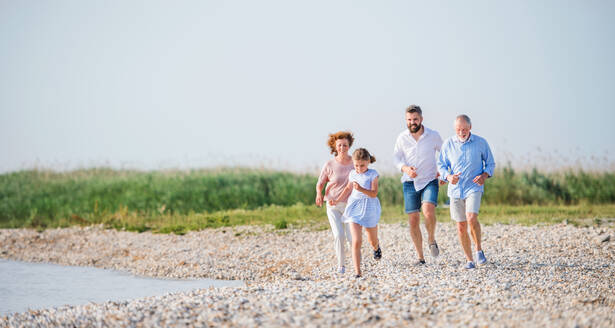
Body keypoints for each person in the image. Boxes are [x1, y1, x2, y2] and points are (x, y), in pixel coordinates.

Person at [437, 114, 495, 269]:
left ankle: (478, 250)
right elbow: (441, 165)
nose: (461, 132)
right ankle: (469, 260)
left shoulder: (481, 143)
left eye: (464, 129)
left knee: (471, 218)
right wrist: (448, 176)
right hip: (455, 189)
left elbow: (490, 163)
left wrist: (484, 175)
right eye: (458, 129)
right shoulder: (448, 144)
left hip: (474, 187)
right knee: (461, 226)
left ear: (470, 128)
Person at [393, 104, 444, 265]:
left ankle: (431, 239)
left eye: (415, 119)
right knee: (413, 220)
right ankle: (420, 257)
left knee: (428, 211)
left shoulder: (433, 135)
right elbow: (396, 158)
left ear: (421, 119)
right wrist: (406, 168)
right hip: (409, 182)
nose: (412, 122)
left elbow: (444, 153)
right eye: (409, 119)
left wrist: (442, 171)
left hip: (429, 180)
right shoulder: (402, 138)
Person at [330, 148, 381, 278]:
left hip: (369, 207)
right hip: (354, 208)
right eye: (356, 165)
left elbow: (374, 193)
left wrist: (362, 189)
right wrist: (337, 200)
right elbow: (348, 188)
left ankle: (376, 247)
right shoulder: (352, 173)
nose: (359, 168)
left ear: (368, 162)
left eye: (362, 165)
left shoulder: (373, 174)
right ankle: (357, 272)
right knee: (356, 240)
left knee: (372, 239)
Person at [316, 131, 355, 274]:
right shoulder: (329, 164)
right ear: (335, 146)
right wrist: (318, 194)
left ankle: (357, 264)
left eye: (345, 145)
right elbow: (320, 183)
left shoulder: (354, 162)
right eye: (339, 145)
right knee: (339, 235)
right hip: (333, 205)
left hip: (351, 205)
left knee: (352, 237)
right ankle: (341, 266)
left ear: (349, 145)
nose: (342, 148)